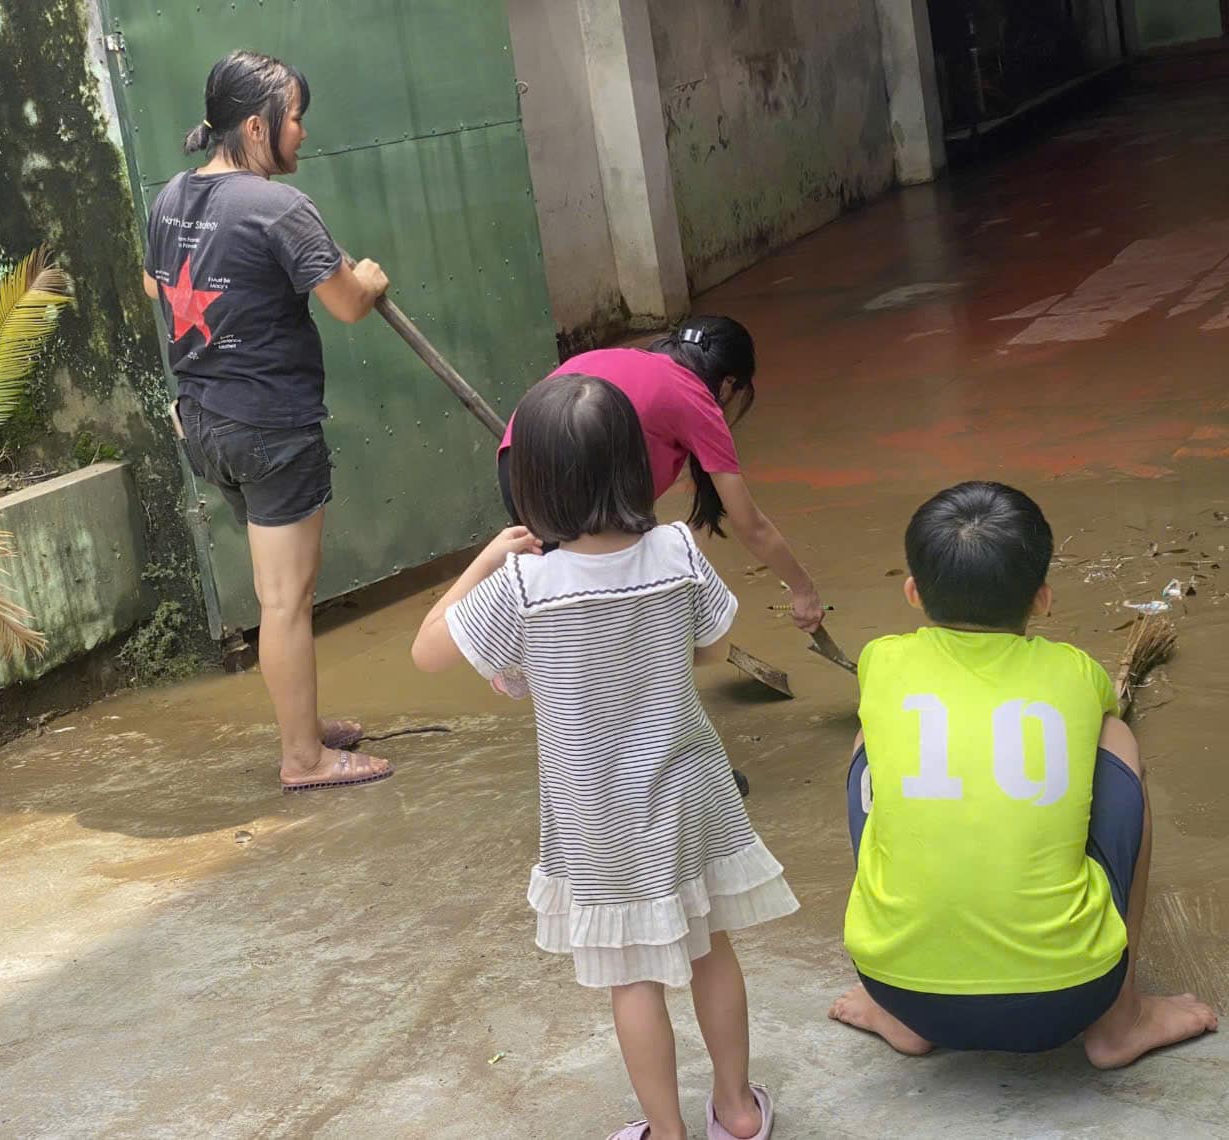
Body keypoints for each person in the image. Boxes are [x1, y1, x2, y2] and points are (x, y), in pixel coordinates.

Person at [413, 376, 797, 1140]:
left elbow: (428, 649)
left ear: (533, 486)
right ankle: (739, 1111)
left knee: (632, 979)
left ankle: (668, 1132)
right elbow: (713, 645)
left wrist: (487, 559)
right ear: (632, 466)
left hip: (599, 818)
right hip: (690, 789)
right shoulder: (677, 550)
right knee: (710, 947)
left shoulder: (524, 584)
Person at [829, 481, 1218, 1064]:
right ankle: (1121, 1020)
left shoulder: (881, 662)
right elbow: (1100, 707)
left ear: (913, 592)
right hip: (1073, 995)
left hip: (897, 986)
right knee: (1116, 740)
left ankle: (899, 1016)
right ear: (1042, 598)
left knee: (870, 740)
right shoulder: (1074, 670)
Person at [142, 51, 393, 792]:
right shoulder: (279, 208)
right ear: (256, 125)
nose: (303, 131)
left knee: (275, 595)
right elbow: (348, 303)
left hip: (206, 426)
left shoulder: (168, 199)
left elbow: (159, 283)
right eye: (294, 117)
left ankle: (302, 727)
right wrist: (370, 279)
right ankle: (304, 758)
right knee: (286, 601)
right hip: (270, 431)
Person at [496, 317, 824, 632]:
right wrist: (804, 590)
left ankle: (522, 653)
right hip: (572, 485)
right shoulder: (695, 399)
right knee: (602, 598)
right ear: (727, 384)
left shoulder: (627, 358)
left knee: (561, 585)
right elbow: (751, 526)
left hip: (518, 470)